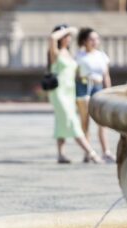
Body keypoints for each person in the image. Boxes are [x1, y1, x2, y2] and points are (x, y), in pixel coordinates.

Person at [47, 24, 102, 164]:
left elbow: (77, 74)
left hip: (70, 92)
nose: (68, 38)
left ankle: (60, 154)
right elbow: (52, 38)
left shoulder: (69, 53)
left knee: (61, 121)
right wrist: (67, 29)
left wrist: (89, 77)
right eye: (66, 36)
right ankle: (91, 153)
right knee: (72, 122)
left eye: (69, 36)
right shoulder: (55, 52)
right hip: (58, 92)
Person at [75, 28, 115, 163]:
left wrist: (108, 91)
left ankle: (106, 151)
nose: (94, 42)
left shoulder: (101, 55)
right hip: (84, 88)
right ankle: (88, 152)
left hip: (98, 88)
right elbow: (75, 74)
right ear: (85, 41)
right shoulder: (79, 56)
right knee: (85, 121)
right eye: (91, 39)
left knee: (102, 122)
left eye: (96, 39)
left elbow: (106, 75)